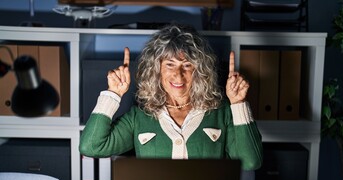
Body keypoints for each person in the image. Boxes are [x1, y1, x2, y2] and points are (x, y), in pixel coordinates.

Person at [79, 23, 262, 170]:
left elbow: (251, 162)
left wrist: (238, 103)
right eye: (170, 64)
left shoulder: (221, 111)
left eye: (187, 65)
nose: (178, 75)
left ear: (200, 71)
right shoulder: (139, 116)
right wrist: (113, 93)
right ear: (156, 69)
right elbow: (91, 146)